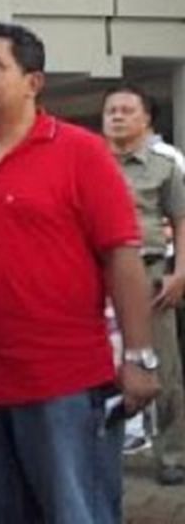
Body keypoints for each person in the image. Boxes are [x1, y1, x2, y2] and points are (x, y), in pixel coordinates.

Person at [0, 23, 159, 524]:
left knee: (75, 512)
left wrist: (139, 356)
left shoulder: (80, 152)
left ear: (33, 82)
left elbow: (122, 257)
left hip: (63, 386)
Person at [102, 84, 185, 486]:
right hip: (97, 280)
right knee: (100, 370)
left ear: (145, 119)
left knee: (165, 372)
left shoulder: (164, 165)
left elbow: (182, 221)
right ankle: (102, 449)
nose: (116, 116)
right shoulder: (89, 163)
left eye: (125, 110)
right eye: (111, 111)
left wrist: (180, 272)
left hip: (151, 275)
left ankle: (172, 455)